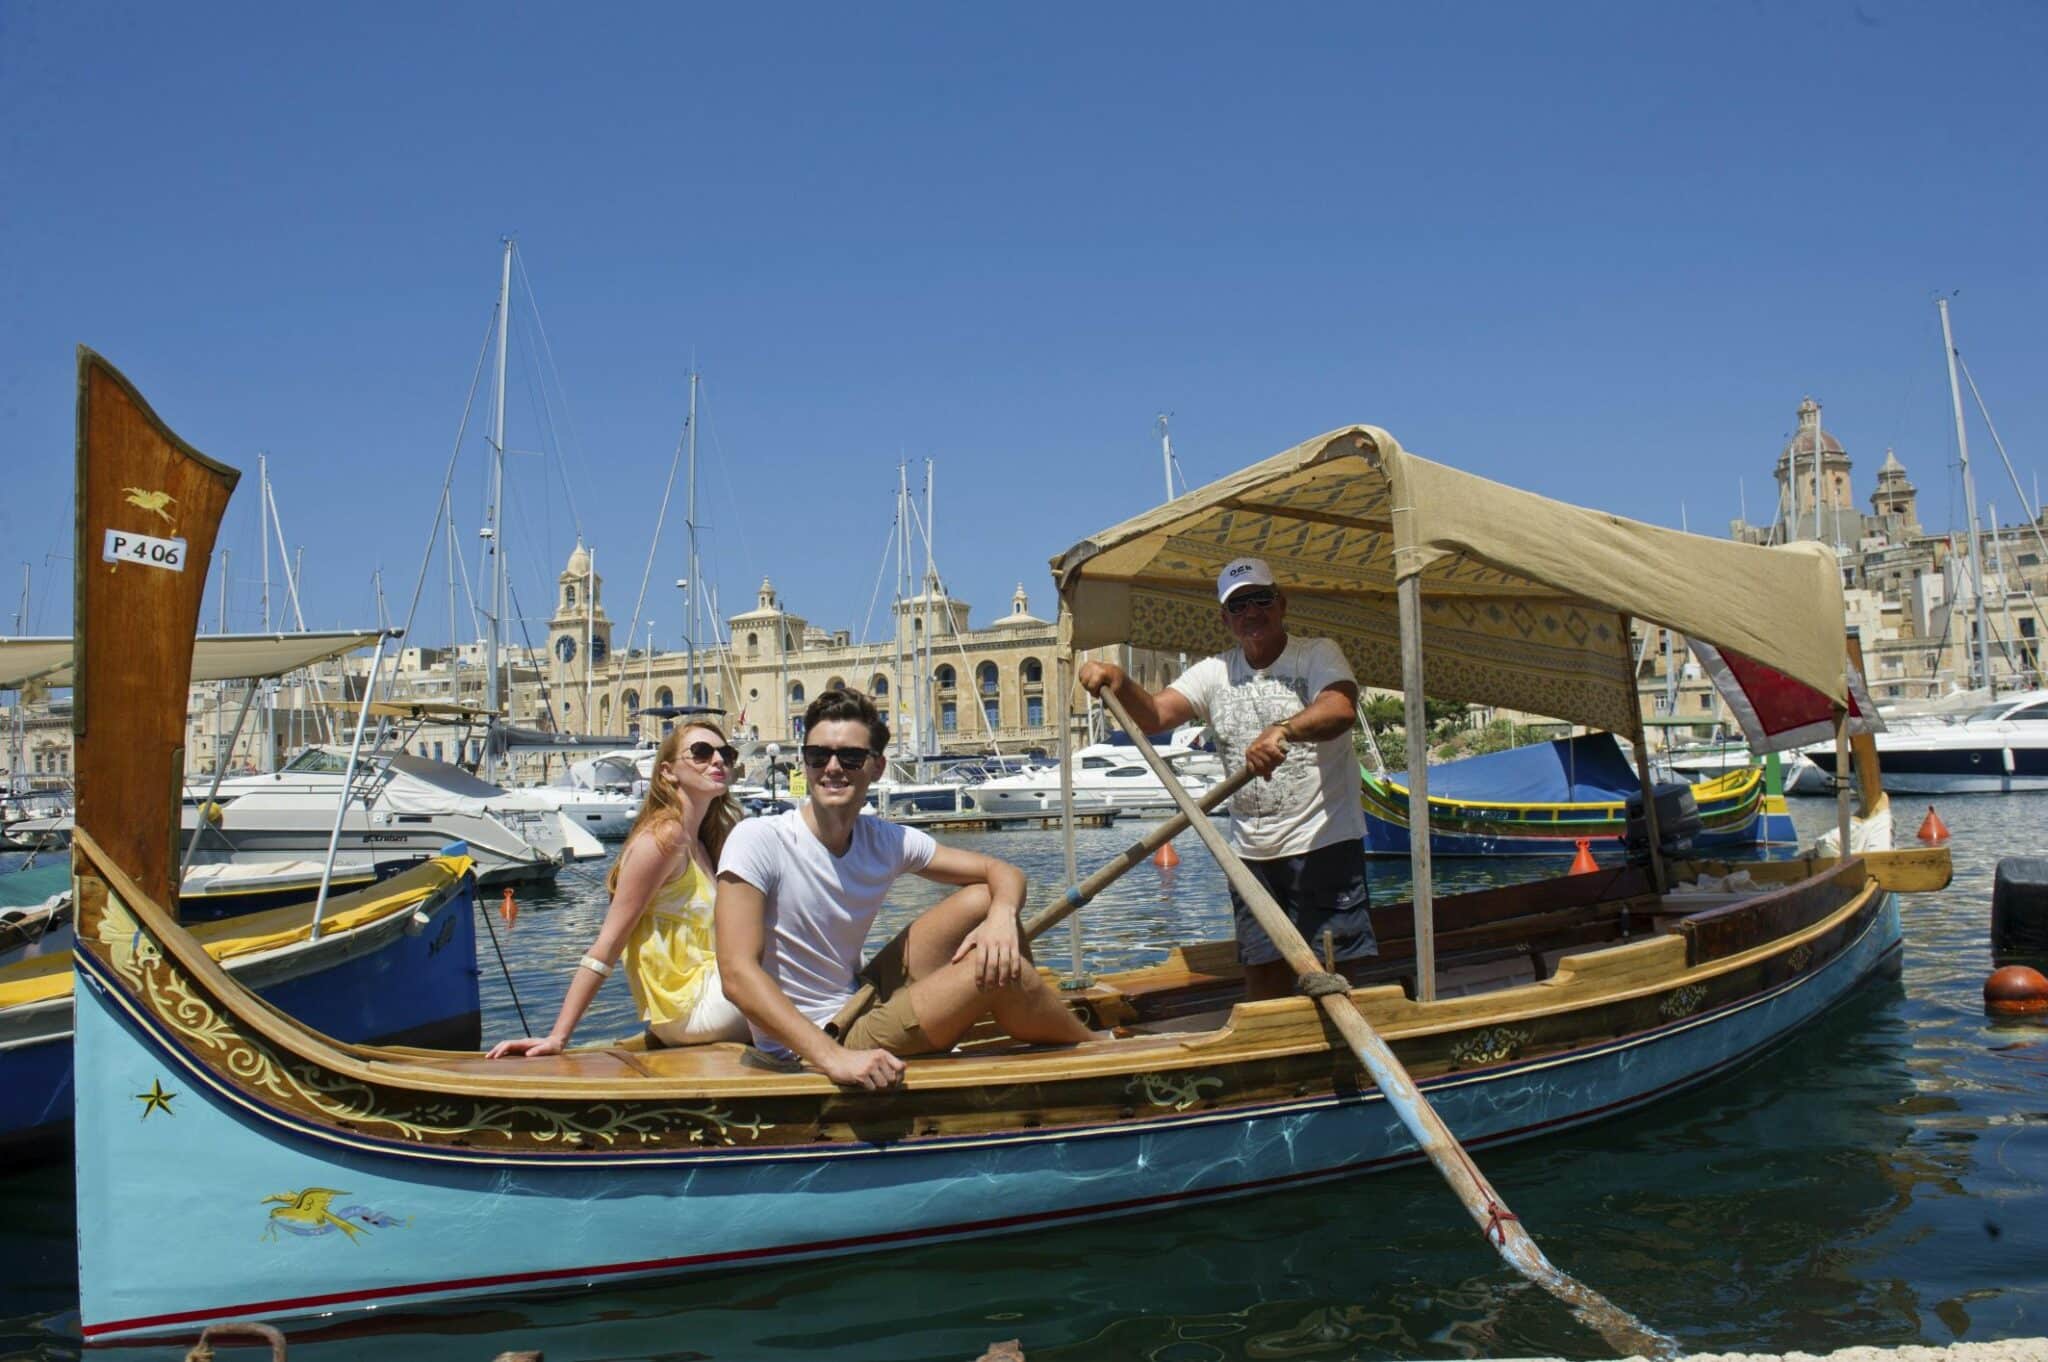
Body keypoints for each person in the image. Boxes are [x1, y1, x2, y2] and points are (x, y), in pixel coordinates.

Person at [715, 688, 1094, 1090]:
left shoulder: (884, 840)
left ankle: (1026, 1017)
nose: (831, 767)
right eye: (817, 755)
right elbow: (737, 975)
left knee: (988, 899)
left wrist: (1001, 917)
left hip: (860, 999)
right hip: (818, 1039)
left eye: (850, 757)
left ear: (877, 768)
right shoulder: (758, 839)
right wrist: (834, 1058)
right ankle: (1095, 1050)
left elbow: (1002, 871)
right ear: (803, 761)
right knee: (1000, 973)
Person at [1078, 556, 1371, 1002]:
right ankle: (1273, 1065)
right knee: (1262, 980)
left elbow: (1340, 708)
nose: (1251, 613)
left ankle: (1352, 1067)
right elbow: (1156, 715)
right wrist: (1117, 681)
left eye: (1260, 599)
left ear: (1281, 603)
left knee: (1341, 977)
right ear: (1225, 618)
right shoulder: (1215, 671)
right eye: (1238, 606)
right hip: (1250, 858)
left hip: (1323, 846)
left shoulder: (1316, 654)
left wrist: (1285, 730)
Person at [487, 721, 751, 1058]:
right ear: (668, 772)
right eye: (701, 752)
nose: (717, 761)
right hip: (689, 1009)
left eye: (725, 754)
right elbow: (609, 943)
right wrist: (558, 1036)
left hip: (711, 994)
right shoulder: (663, 839)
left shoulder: (702, 842)